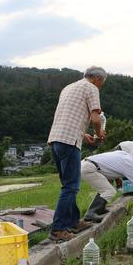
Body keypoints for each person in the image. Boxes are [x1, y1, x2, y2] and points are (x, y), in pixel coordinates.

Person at [47, 66, 107, 242]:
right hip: (69, 142)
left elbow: (69, 116)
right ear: (98, 79)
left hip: (57, 140)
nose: (100, 86)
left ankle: (73, 222)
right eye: (101, 83)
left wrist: (84, 134)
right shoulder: (91, 88)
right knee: (71, 187)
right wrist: (99, 133)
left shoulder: (69, 87)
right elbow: (96, 118)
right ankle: (58, 229)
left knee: (68, 185)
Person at [81, 149, 133, 222]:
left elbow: (112, 163)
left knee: (107, 186)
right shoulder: (131, 166)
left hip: (86, 164)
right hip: (89, 169)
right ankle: (91, 213)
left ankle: (100, 209)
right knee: (109, 191)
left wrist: (116, 178)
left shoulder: (126, 155)